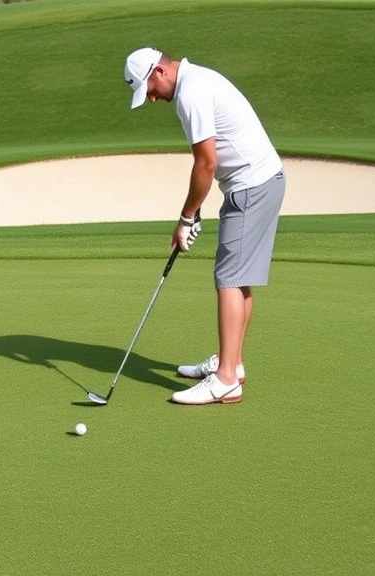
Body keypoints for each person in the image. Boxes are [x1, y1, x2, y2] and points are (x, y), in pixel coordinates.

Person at [123, 47, 286, 406]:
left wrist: (185, 217)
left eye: (148, 90)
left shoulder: (191, 94)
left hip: (251, 186)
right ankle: (233, 363)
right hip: (262, 180)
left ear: (160, 72)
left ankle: (226, 379)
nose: (150, 99)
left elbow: (206, 164)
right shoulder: (196, 81)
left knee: (228, 278)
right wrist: (193, 213)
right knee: (239, 278)